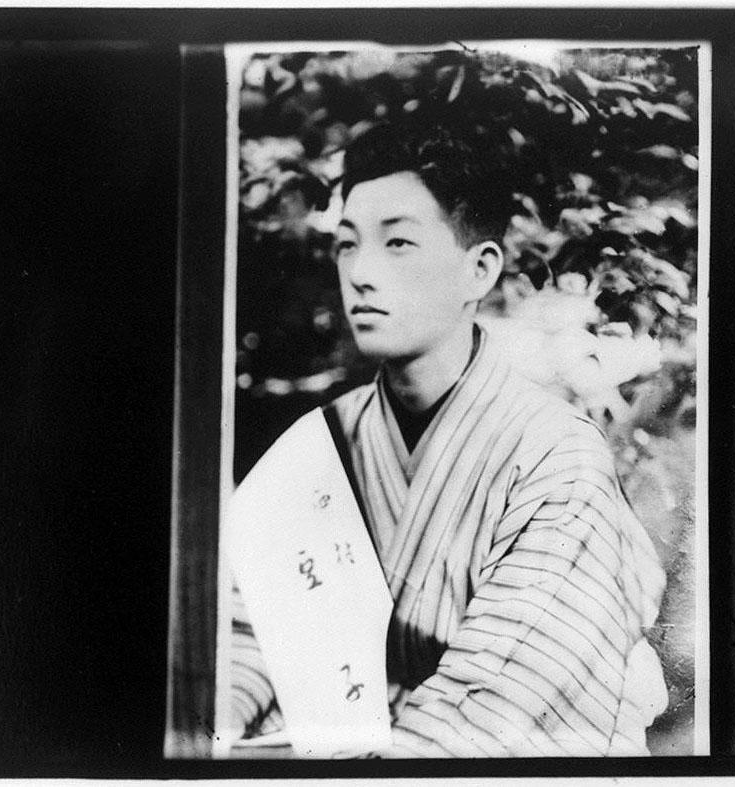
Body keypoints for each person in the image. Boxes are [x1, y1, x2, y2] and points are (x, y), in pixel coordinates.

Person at [228, 119, 669, 757]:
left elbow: (513, 692)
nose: (361, 274)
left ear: (479, 270)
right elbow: (250, 632)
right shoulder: (321, 440)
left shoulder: (555, 454)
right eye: (348, 245)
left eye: (398, 243)